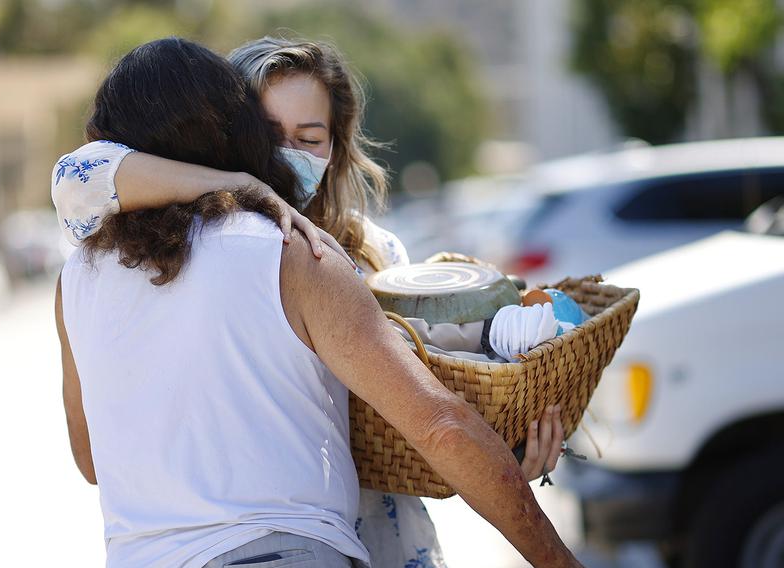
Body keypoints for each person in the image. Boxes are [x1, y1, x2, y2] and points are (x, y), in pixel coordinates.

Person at [54, 37, 571, 568]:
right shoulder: (291, 253)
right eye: (269, 133)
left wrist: (505, 451)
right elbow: (441, 427)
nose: (288, 155)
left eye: (310, 137)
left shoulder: (78, 277)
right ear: (231, 132)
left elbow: (94, 458)